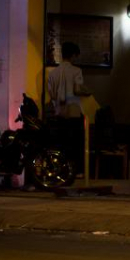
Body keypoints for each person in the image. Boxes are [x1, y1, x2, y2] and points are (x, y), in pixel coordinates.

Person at [47, 42, 91, 174]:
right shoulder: (76, 71)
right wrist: (86, 92)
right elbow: (77, 90)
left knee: (61, 144)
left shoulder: (53, 73)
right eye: (76, 56)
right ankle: (76, 172)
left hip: (59, 113)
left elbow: (52, 94)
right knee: (76, 144)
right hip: (74, 112)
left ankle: (61, 171)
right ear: (73, 55)